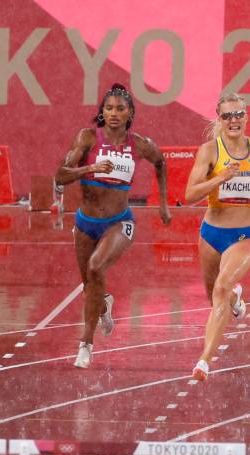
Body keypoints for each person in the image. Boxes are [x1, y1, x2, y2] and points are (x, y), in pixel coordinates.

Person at [56, 84, 171, 369]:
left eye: (120, 109)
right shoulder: (87, 138)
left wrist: (163, 203)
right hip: (85, 223)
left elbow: (161, 162)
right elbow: (60, 175)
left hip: (119, 222)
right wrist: (89, 169)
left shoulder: (139, 144)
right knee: (89, 287)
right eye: (109, 109)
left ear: (130, 113)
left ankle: (86, 345)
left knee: (96, 267)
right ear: (102, 112)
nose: (114, 114)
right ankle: (104, 302)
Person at [184, 93, 250, 381]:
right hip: (211, 233)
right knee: (214, 295)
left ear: (247, 117)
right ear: (220, 119)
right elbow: (189, 196)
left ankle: (204, 362)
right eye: (228, 116)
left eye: (239, 115)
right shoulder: (209, 152)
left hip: (244, 233)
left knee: (221, 289)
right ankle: (237, 297)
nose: (234, 121)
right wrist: (219, 178)